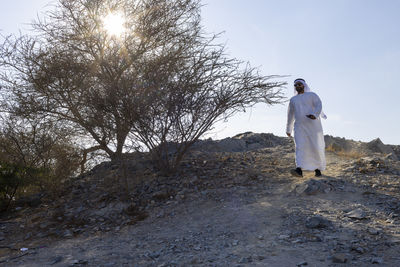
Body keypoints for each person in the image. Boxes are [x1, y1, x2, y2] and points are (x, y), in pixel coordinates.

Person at [286, 78, 326, 177]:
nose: (298, 86)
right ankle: (299, 169)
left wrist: (314, 114)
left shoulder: (312, 95)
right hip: (299, 126)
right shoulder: (293, 100)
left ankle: (317, 169)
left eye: (299, 84)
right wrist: (288, 129)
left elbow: (318, 105)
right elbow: (290, 114)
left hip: (313, 126)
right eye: (296, 85)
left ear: (304, 85)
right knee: (300, 146)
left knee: (314, 146)